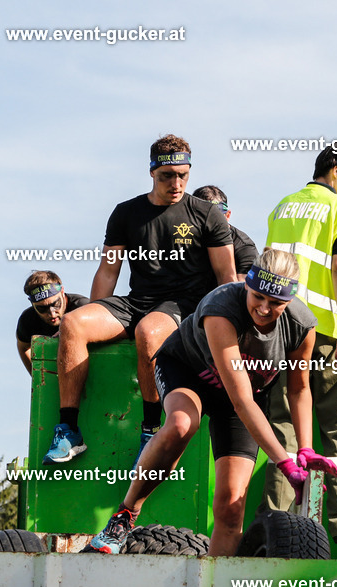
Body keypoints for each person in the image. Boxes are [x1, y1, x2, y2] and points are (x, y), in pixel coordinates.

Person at [84, 249, 337, 556]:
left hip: (244, 396)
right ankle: (125, 515)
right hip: (190, 373)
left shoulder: (302, 326)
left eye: (275, 303)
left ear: (289, 301)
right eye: (258, 296)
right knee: (181, 424)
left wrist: (305, 449)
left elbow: (298, 390)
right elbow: (242, 399)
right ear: (247, 284)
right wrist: (285, 463)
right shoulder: (221, 308)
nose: (263, 308)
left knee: (232, 505)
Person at [44, 135, 237, 465]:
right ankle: (69, 431)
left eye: (183, 175)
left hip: (184, 305)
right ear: (151, 172)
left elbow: (227, 280)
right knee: (74, 322)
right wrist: (92, 312)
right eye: (167, 176)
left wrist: (225, 332)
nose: (176, 183)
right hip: (137, 301)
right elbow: (107, 272)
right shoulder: (126, 213)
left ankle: (150, 432)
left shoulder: (207, 215)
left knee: (148, 333)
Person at [260, 146, 337, 543]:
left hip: (279, 329)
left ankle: (278, 519)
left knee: (283, 427)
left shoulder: (282, 206)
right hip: (323, 332)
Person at [15, 271, 89, 375]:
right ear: (32, 303)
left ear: (62, 291)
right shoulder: (28, 320)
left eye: (56, 304)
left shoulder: (83, 308)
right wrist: (37, 376)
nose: (52, 313)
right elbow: (23, 347)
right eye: (42, 308)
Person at [192, 185, 259, 280]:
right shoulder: (180, 236)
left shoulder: (243, 246)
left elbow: (244, 289)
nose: (208, 224)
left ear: (227, 216)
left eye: (215, 218)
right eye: (201, 217)